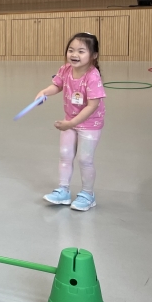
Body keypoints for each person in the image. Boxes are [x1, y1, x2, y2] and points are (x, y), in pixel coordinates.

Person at [37, 32, 105, 211]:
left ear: (94, 55)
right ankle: (63, 190)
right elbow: (57, 85)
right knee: (65, 156)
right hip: (70, 121)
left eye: (81, 51)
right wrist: (44, 92)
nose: (74, 54)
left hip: (89, 124)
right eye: (71, 50)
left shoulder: (93, 76)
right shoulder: (65, 69)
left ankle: (88, 194)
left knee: (85, 160)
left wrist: (71, 124)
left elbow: (92, 106)